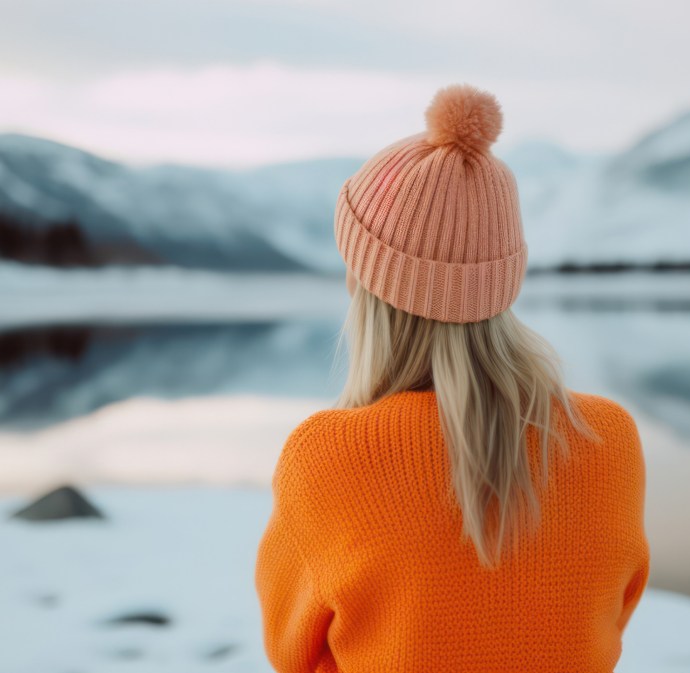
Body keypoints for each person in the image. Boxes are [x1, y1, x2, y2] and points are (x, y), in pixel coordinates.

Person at [255, 82, 649, 673]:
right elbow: (610, 618)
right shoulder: (608, 438)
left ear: (368, 288)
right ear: (501, 282)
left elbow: (293, 654)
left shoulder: (327, 458)